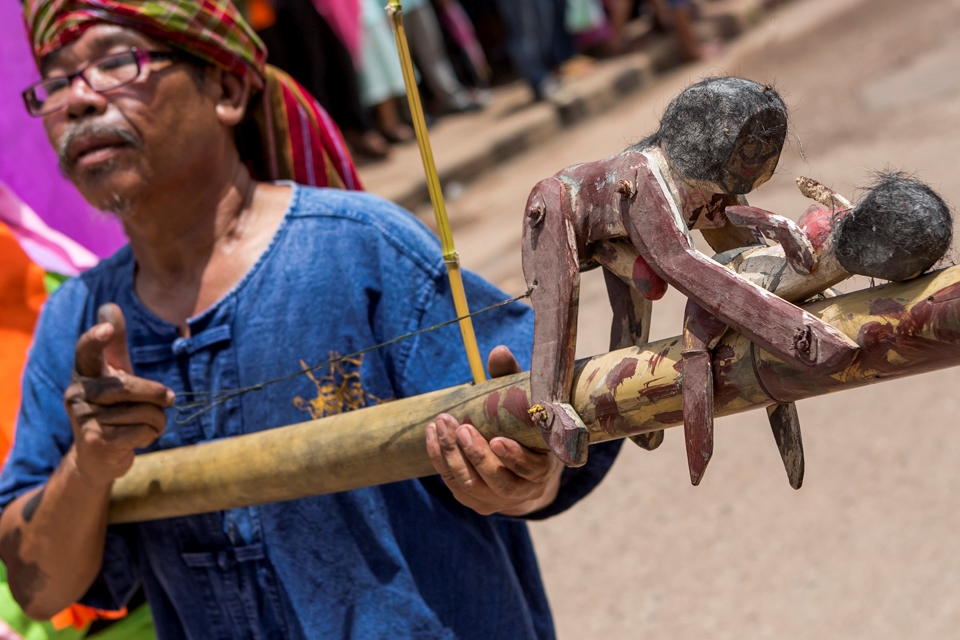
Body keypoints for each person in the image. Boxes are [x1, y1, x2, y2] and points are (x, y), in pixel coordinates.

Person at [0, 2, 622, 639]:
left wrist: (523, 478)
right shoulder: (73, 326)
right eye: (55, 83)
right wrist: (90, 463)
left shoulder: (358, 249)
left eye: (113, 62)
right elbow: (37, 586)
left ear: (226, 87)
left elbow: (555, 438)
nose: (77, 101)